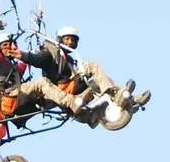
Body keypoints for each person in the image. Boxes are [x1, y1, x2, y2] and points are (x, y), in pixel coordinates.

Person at [0, 17, 95, 124]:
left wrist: (33, 53)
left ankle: (87, 115)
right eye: (5, 45)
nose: (10, 47)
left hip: (15, 98)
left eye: (11, 44)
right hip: (6, 100)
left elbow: (26, 63)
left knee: (48, 94)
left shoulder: (10, 66)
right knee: (42, 82)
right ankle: (71, 103)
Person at [23, 25, 151, 125]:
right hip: (60, 89)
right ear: (60, 39)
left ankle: (128, 100)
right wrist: (22, 55)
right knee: (91, 65)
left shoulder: (68, 59)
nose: (70, 43)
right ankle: (116, 96)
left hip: (70, 86)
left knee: (101, 80)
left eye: (73, 41)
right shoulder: (49, 54)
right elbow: (36, 60)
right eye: (67, 39)